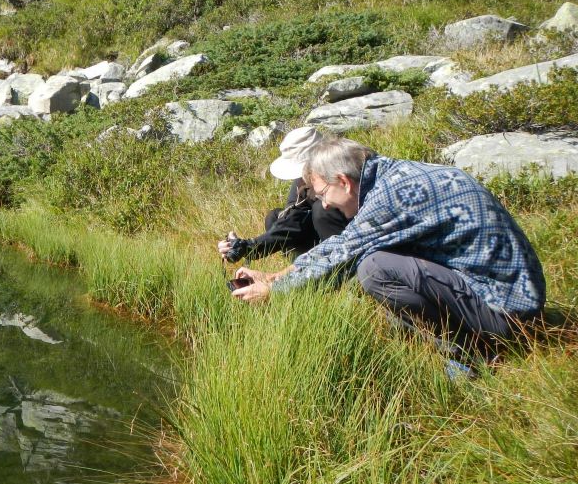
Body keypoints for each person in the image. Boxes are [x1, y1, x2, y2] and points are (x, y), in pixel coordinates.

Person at [230, 137, 546, 356]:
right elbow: (342, 243)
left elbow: (342, 257)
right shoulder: (397, 177)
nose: (324, 203)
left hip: (506, 311)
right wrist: (274, 276)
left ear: (344, 181)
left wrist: (276, 292)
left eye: (322, 191)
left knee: (374, 268)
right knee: (376, 261)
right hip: (513, 294)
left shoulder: (389, 198)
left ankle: (470, 352)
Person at [217, 126, 350, 264]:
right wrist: (246, 246)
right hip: (321, 234)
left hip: (347, 236)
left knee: (321, 210)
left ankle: (338, 266)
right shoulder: (303, 180)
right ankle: (301, 265)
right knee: (275, 217)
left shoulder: (343, 172)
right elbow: (293, 219)